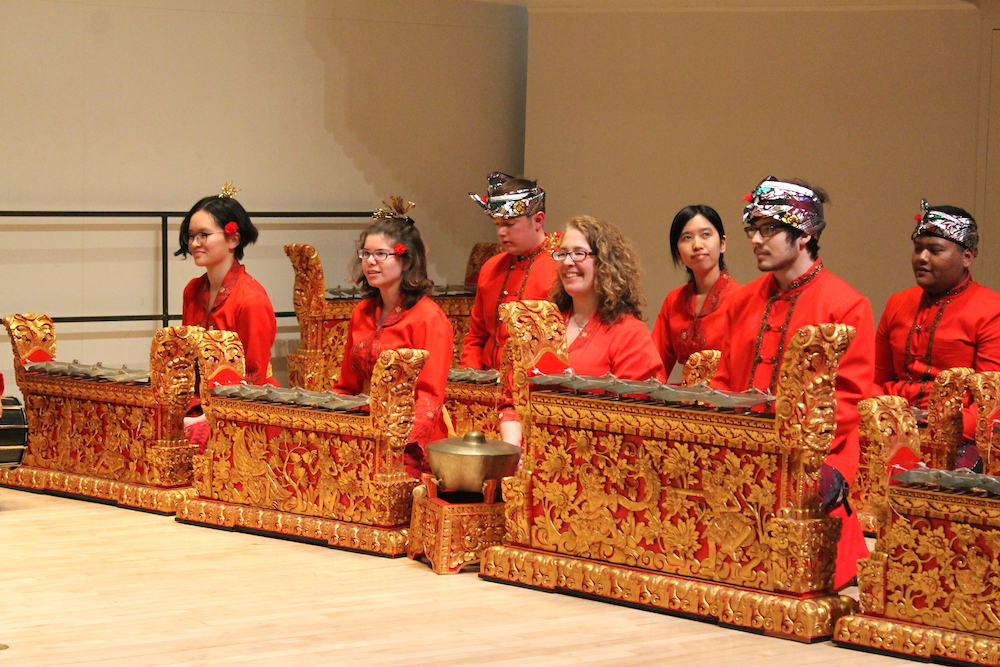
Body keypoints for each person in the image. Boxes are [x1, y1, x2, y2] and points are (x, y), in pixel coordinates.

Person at [712, 176, 874, 590]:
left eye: (769, 229)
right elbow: (724, 382)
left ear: (804, 235)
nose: (756, 240)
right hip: (744, 451)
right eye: (753, 228)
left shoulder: (846, 304)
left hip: (815, 457)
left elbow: (849, 401)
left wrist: (794, 455)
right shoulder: (742, 300)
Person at [499, 215, 665, 445]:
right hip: (529, 463)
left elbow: (636, 420)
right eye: (562, 253)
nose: (568, 262)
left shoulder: (629, 334)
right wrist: (512, 451)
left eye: (579, 253)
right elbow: (512, 401)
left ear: (606, 263)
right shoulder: (542, 326)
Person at [332, 199, 453, 478]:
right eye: (365, 253)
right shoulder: (362, 312)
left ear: (406, 260)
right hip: (366, 429)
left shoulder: (428, 318)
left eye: (381, 254)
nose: (370, 261)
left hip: (411, 441)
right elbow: (347, 386)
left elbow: (430, 398)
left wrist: (404, 447)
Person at [875, 200, 1000, 449]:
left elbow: (992, 402)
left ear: (967, 257)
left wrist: (936, 430)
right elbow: (875, 378)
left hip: (960, 438)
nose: (921, 258)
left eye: (935, 250)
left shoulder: (991, 309)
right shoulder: (898, 303)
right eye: (918, 248)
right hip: (891, 426)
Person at [178, 182, 277, 386]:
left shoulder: (251, 299)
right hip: (199, 400)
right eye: (191, 236)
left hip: (243, 406)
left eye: (203, 235)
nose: (194, 243)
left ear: (233, 239)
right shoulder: (192, 290)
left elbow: (255, 377)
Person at [461, 172, 559, 370]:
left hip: (539, 386)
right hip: (489, 384)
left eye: (509, 224)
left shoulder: (562, 266)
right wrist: (470, 377)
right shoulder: (490, 268)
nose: (501, 232)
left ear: (538, 220)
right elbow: (476, 337)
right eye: (497, 225)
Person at [652, 205, 741, 377]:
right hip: (684, 401)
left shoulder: (743, 298)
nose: (697, 245)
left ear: (722, 244)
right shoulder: (673, 300)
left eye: (705, 235)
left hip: (728, 400)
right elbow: (655, 365)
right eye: (687, 237)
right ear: (678, 253)